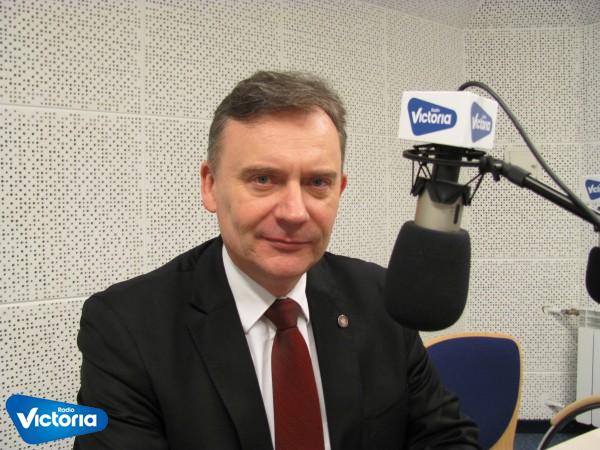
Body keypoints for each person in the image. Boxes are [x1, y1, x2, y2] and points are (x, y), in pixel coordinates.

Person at [75, 71, 480, 450]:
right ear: (211, 186)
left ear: (340, 190)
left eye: (317, 182)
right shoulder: (127, 327)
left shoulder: (382, 299)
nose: (294, 212)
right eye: (263, 179)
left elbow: (447, 438)